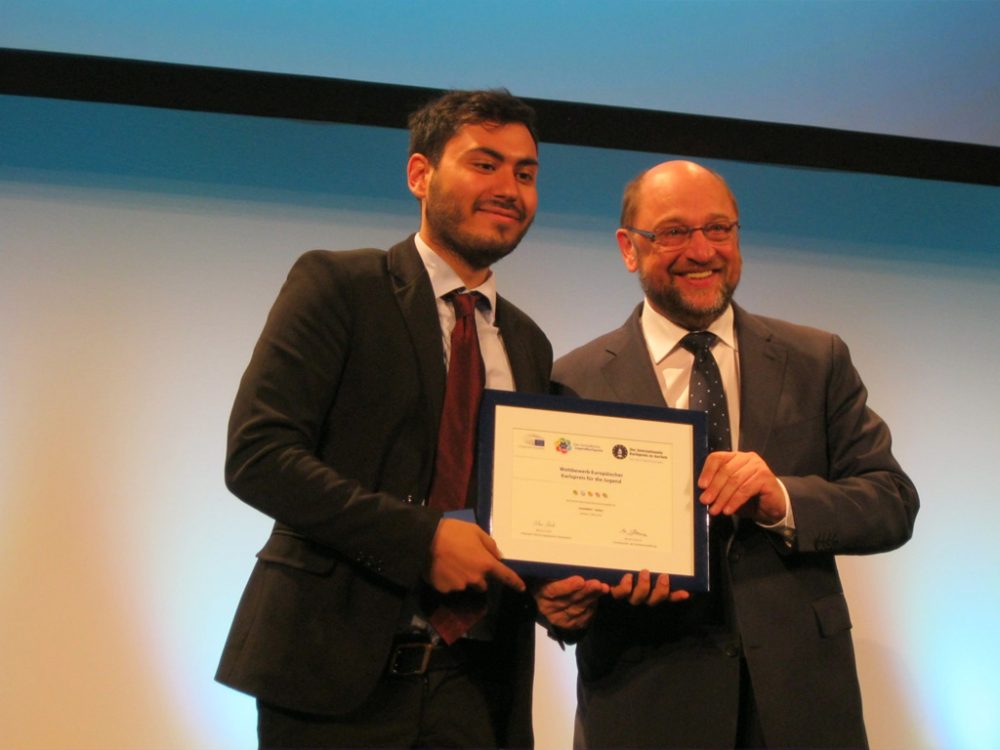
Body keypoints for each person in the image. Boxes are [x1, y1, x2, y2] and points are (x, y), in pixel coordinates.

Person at [217, 89, 604, 749]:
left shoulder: (529, 343)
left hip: (478, 692)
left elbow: (516, 513)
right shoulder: (339, 286)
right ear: (420, 175)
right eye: (485, 164)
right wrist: (421, 539)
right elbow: (260, 456)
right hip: (330, 685)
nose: (509, 187)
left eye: (525, 173)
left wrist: (552, 590)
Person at [552, 160, 919, 749]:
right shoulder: (572, 381)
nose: (702, 250)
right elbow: (553, 555)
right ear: (629, 248)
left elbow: (892, 502)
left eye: (719, 229)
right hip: (644, 699)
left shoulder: (815, 359)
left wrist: (782, 499)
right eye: (673, 232)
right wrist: (562, 604)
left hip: (800, 702)